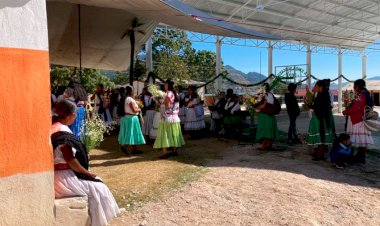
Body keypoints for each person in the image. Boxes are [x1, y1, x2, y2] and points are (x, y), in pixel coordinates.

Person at [51, 100, 120, 226]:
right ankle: (97, 223)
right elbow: (70, 160)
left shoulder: (53, 127)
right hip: (64, 178)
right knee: (99, 189)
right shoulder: (62, 132)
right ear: (72, 115)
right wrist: (87, 173)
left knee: (96, 185)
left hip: (56, 175)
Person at [343, 79, 374, 164]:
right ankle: (361, 157)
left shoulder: (361, 95)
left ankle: (359, 157)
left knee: (361, 140)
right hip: (363, 119)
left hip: (358, 120)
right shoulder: (366, 94)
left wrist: (345, 111)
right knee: (362, 140)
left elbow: (355, 108)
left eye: (354, 86)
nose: (354, 88)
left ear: (358, 86)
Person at [153, 79, 185, 159]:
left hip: (168, 117)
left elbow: (167, 106)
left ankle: (164, 154)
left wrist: (159, 102)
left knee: (165, 135)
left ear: (168, 85)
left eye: (165, 84)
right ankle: (174, 151)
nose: (164, 86)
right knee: (173, 134)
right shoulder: (176, 93)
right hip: (175, 117)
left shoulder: (168, 93)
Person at [306, 80, 334, 160]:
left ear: (320, 87)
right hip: (319, 119)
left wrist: (312, 109)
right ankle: (318, 153)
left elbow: (322, 109)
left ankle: (320, 155)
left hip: (320, 119)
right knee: (320, 136)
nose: (314, 87)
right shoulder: (322, 95)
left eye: (315, 86)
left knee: (321, 136)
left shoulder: (322, 96)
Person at [118, 86, 145, 155]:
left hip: (130, 118)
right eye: (133, 90)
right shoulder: (129, 99)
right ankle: (125, 147)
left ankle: (134, 150)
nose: (134, 92)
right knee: (130, 133)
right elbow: (134, 110)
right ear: (131, 91)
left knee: (133, 133)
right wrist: (139, 109)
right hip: (131, 118)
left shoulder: (128, 98)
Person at [255, 83, 279, 150]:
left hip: (265, 115)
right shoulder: (270, 95)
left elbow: (263, 105)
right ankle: (269, 145)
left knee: (265, 130)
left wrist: (256, 106)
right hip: (270, 115)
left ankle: (264, 145)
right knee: (270, 130)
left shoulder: (265, 95)